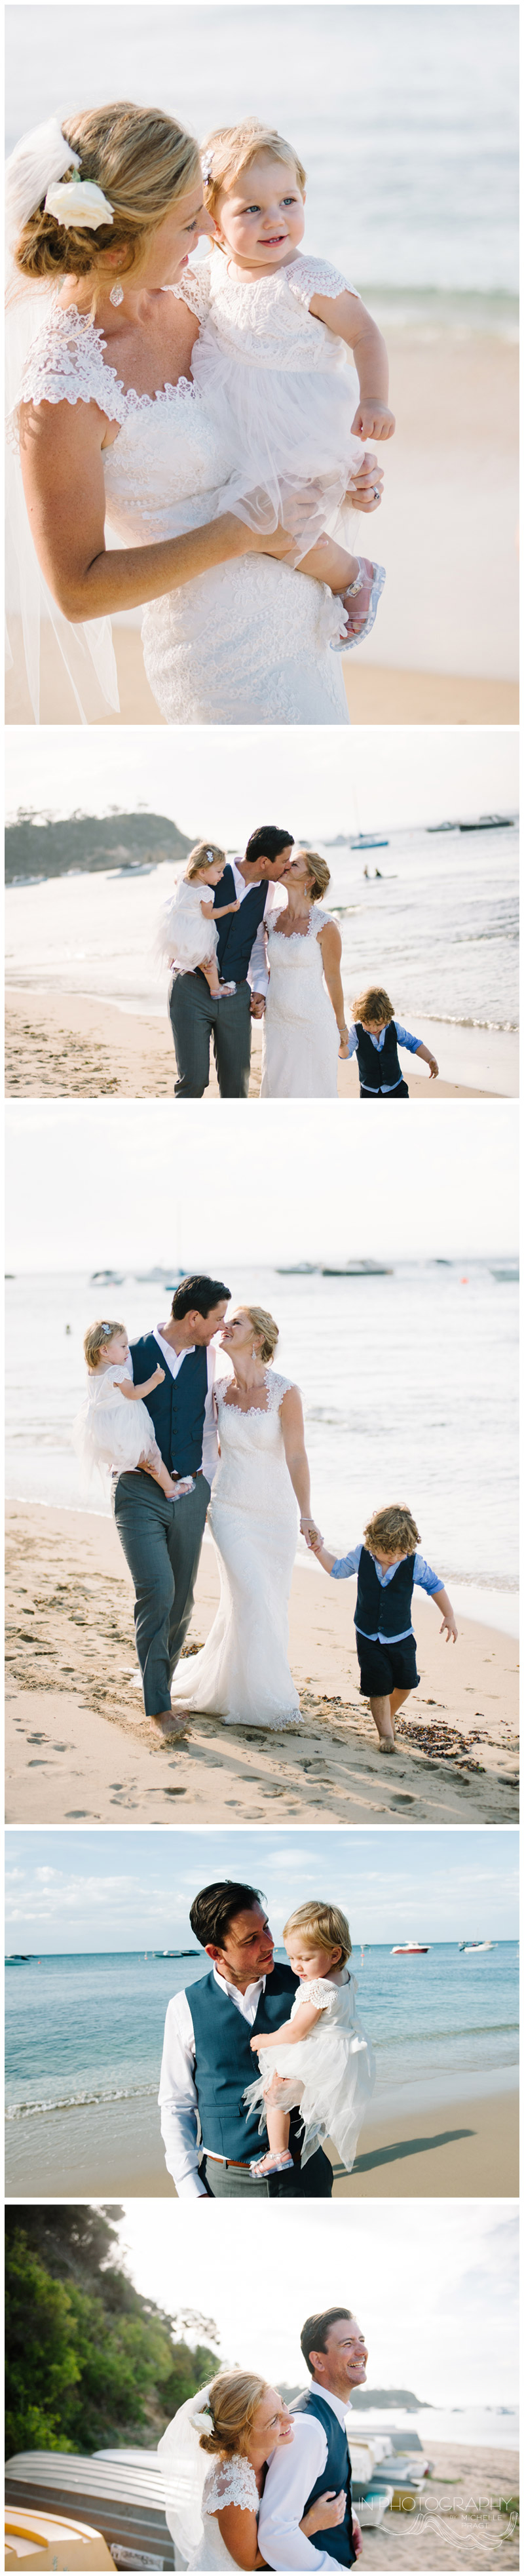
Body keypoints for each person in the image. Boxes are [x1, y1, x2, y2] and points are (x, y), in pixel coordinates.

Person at [7, 108, 384, 728]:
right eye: (188, 222)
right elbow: (77, 591)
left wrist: (343, 474)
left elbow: (279, 406)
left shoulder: (203, 292)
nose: (212, 229)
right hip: (220, 657)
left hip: (303, 623)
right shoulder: (63, 391)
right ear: (120, 245)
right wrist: (240, 531)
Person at [177, 117, 392, 646]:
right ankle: (350, 486)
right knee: (245, 509)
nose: (276, 219)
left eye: (289, 201)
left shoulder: (307, 278)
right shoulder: (212, 275)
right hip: (236, 419)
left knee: (272, 518)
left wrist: (376, 400)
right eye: (251, 209)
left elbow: (366, 335)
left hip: (296, 423)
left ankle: (352, 575)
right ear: (212, 222)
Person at [168, 1303, 320, 1728]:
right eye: (226, 1321)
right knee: (252, 1595)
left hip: (276, 1515)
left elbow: (296, 1456)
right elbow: (205, 1451)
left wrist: (307, 1516)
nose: (225, 1327)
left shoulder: (286, 1393)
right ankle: (268, 1701)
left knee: (267, 1603)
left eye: (236, 1323)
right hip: (230, 1509)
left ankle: (241, 1688)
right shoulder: (216, 1390)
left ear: (259, 1338)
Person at [159, 1880, 335, 2198]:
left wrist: (306, 2089)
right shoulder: (183, 2007)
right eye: (251, 1939)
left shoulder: (308, 1988)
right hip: (226, 2182)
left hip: (306, 2176)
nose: (270, 1944)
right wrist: (190, 2188)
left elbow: (345, 2063)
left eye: (267, 1928)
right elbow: (176, 2104)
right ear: (216, 1952)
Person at [111, 1275, 230, 1737]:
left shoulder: (210, 1356)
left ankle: (164, 1685)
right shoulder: (132, 1355)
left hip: (190, 1491)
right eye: (217, 1318)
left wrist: (205, 1487)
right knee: (157, 1591)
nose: (221, 1327)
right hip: (137, 1492)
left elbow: (208, 1429)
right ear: (194, 1317)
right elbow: (103, 1413)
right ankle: (159, 1708)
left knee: (181, 1600)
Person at [159, 2367, 346, 2569]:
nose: (290, 2418)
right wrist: (311, 2524)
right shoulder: (234, 2488)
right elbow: (249, 2562)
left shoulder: (267, 2457)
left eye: (282, 2403)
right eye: (274, 2420)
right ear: (244, 2436)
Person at [309, 1502, 458, 1747]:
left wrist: (449, 1615)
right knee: (378, 1687)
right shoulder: (362, 1555)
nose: (395, 1558)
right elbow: (337, 1570)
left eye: (400, 1553)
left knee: (406, 1683)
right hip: (367, 1635)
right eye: (389, 1553)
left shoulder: (414, 1563)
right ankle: (385, 1735)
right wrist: (319, 1551)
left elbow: (435, 1586)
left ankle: (389, 1715)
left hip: (401, 1635)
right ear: (373, 1543)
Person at [244, 1900, 374, 2177]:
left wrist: (265, 2040)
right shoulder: (345, 1978)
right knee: (304, 2097)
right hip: (341, 2052)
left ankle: (278, 2152)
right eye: (292, 1958)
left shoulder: (318, 1988)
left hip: (316, 2051)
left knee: (274, 2095)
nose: (296, 1967)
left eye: (305, 1959)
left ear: (335, 1954)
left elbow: (295, 2032)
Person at [168, 826, 293, 1099]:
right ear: (264, 862)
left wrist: (260, 986)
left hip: (237, 995)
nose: (286, 867)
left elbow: (257, 942)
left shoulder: (268, 891)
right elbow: (175, 911)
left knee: (237, 1086)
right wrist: (179, 950)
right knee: (193, 1081)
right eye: (283, 861)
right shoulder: (211, 872)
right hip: (191, 988)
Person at [258, 2307, 367, 2569]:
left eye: (362, 2341)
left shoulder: (329, 2412)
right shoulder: (307, 2428)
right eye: (348, 2344)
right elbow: (276, 2532)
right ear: (319, 2361)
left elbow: (317, 2485)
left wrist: (347, 2516)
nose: (362, 2351)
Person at [260, 848, 348, 1097]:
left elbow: (333, 978)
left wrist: (341, 1027)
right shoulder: (271, 919)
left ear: (310, 880)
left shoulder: (326, 926)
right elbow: (262, 965)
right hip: (277, 1021)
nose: (286, 866)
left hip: (313, 1023)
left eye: (295, 865)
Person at [72, 1317, 188, 1502]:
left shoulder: (92, 1371)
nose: (128, 1350)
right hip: (124, 1424)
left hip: (104, 1427)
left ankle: (121, 1466)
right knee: (152, 1453)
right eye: (124, 1346)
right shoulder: (116, 1372)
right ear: (104, 1350)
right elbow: (134, 1393)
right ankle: (171, 1488)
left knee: (133, 1455)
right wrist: (155, 1381)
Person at [159, 842, 240, 1000]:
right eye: (219, 871)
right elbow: (209, 914)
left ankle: (173, 960)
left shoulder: (183, 879)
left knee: (179, 949)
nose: (222, 875)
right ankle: (216, 989)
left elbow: (177, 879)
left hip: (178, 927)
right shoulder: (205, 892)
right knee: (208, 960)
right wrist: (229, 908)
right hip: (196, 931)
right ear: (202, 871)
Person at [346, 986, 439, 1095]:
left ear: (387, 1018)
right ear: (360, 1018)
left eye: (378, 1024)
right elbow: (345, 1055)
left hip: (396, 1088)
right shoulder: (356, 1032)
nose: (374, 1029)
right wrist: (342, 1044)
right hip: (370, 1091)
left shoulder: (394, 1028)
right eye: (368, 1024)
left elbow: (413, 1044)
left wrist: (430, 1058)